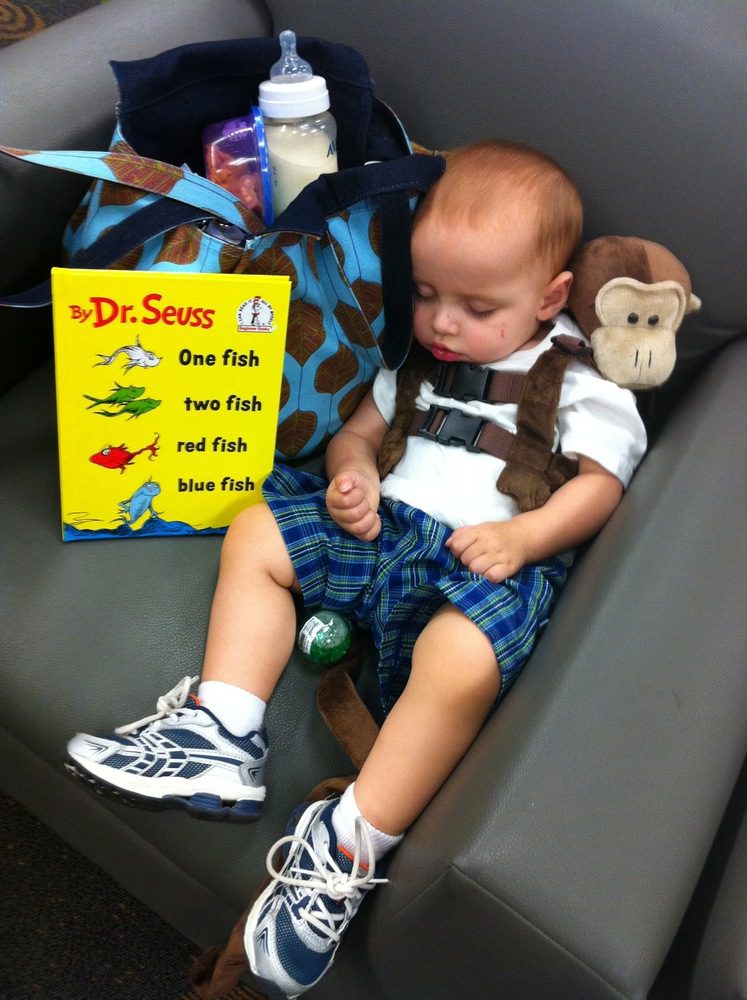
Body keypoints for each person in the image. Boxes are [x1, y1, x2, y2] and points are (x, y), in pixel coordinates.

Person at [66, 140, 647, 997]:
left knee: (462, 664)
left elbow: (598, 487)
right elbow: (357, 432)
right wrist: (354, 475)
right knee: (260, 531)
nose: (443, 323)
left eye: (477, 305)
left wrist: (526, 541)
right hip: (379, 534)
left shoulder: (581, 381)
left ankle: (345, 846)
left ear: (550, 299)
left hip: (479, 566)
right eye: (425, 294)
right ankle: (220, 729)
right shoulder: (410, 360)